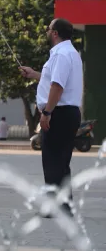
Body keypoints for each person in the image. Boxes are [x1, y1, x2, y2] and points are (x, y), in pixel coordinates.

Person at [19, 18, 83, 217]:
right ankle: (64, 206)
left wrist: (47, 113)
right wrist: (34, 74)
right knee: (61, 161)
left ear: (55, 33)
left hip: (59, 113)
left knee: (53, 160)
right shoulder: (68, 53)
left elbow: (57, 87)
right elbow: (52, 79)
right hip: (66, 112)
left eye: (48, 29)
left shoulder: (62, 54)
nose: (47, 32)